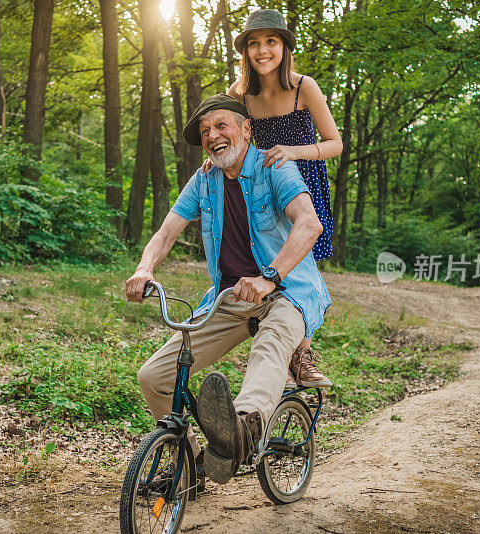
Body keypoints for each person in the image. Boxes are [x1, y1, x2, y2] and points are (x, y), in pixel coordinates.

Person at [126, 94, 332, 485]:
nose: (213, 135)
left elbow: (309, 224)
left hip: (285, 294)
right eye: (205, 130)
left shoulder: (275, 166)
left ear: (246, 129)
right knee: (154, 376)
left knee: (270, 346)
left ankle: (243, 430)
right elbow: (168, 230)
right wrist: (144, 268)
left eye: (221, 125)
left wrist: (269, 276)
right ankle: (190, 466)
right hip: (228, 298)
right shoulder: (205, 179)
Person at [203, 9, 343, 388]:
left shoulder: (303, 87)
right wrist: (214, 153)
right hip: (261, 187)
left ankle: (301, 355)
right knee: (268, 257)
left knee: (303, 266)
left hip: (303, 179)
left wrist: (294, 151)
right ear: (245, 51)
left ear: (284, 46)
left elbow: (335, 143)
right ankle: (273, 334)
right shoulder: (239, 93)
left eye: (270, 41)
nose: (262, 50)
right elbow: (227, 132)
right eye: (253, 43)